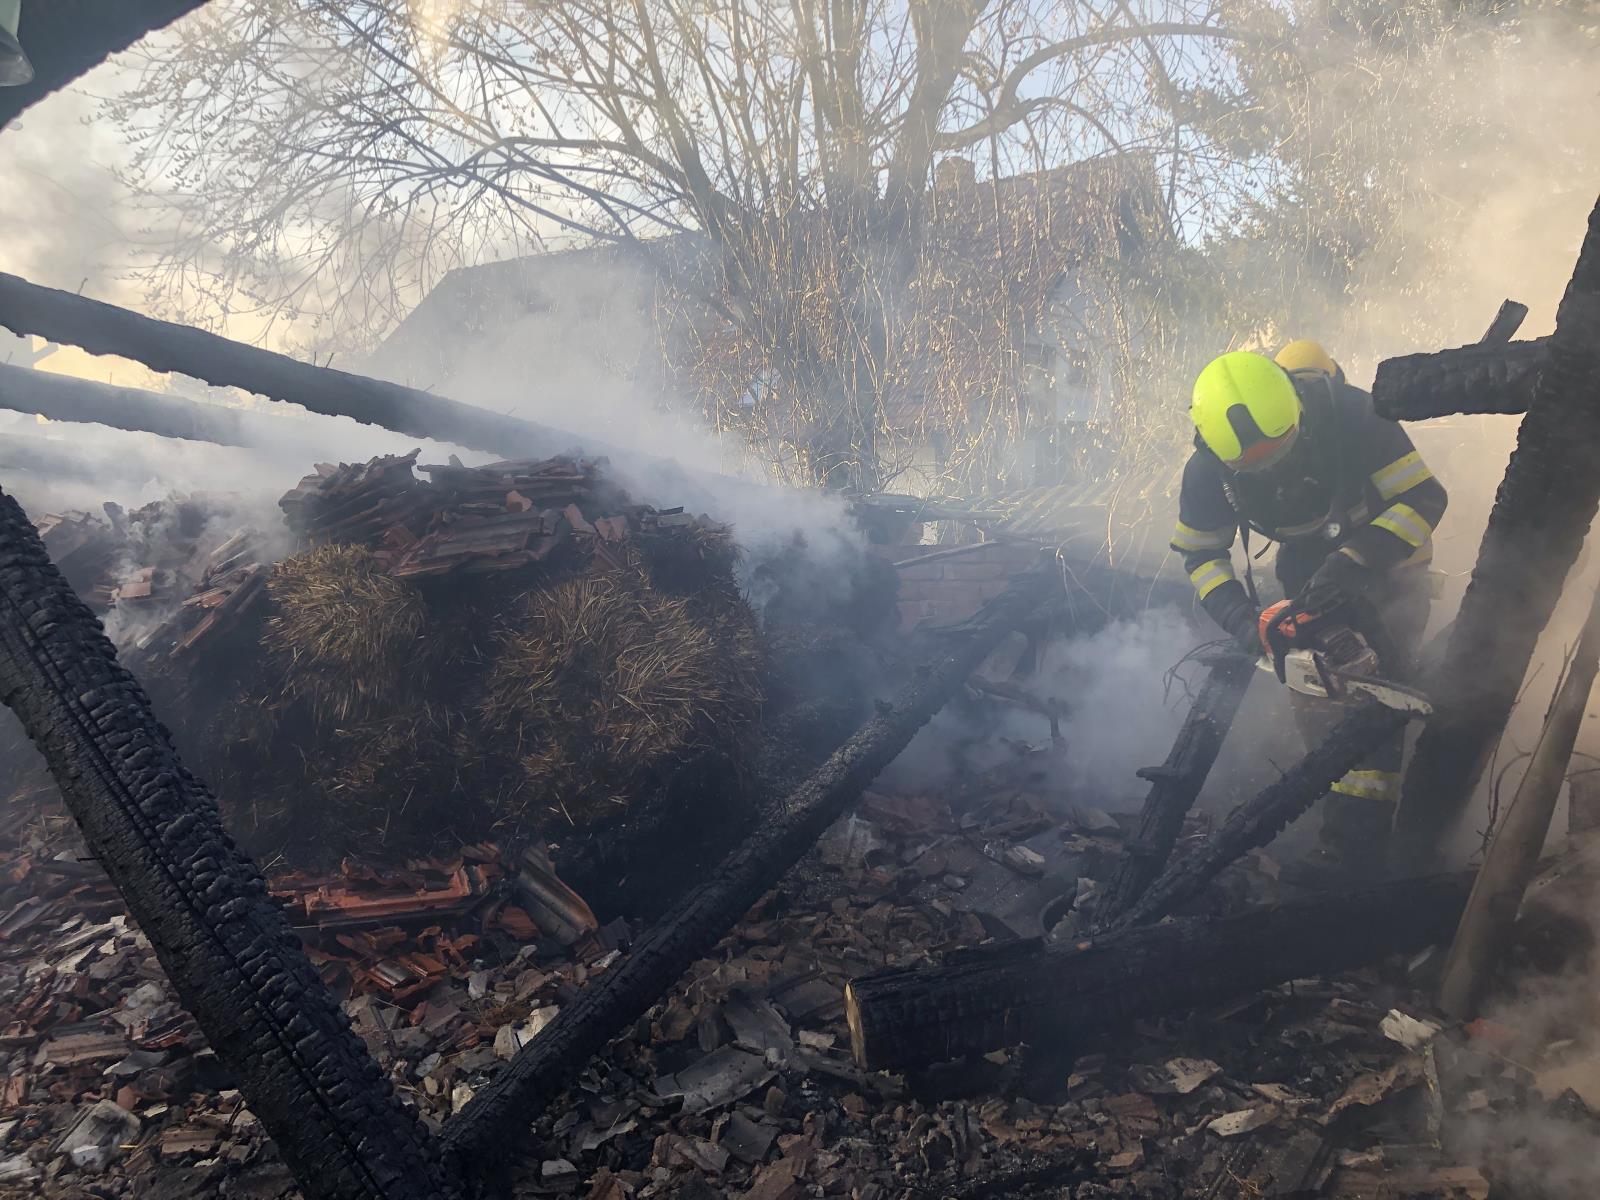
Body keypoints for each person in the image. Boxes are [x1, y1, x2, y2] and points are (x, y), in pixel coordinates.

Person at [1170, 348, 1448, 879]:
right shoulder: (1206, 470)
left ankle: (1355, 853)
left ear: (1297, 406)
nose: (1275, 468)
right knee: (1324, 701)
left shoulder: (1353, 413)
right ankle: (1345, 812)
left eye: (1281, 449)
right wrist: (1240, 619)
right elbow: (1201, 554)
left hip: (1393, 562)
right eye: (1256, 466)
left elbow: (1425, 499)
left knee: (1375, 701)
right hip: (1307, 571)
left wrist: (1355, 562)